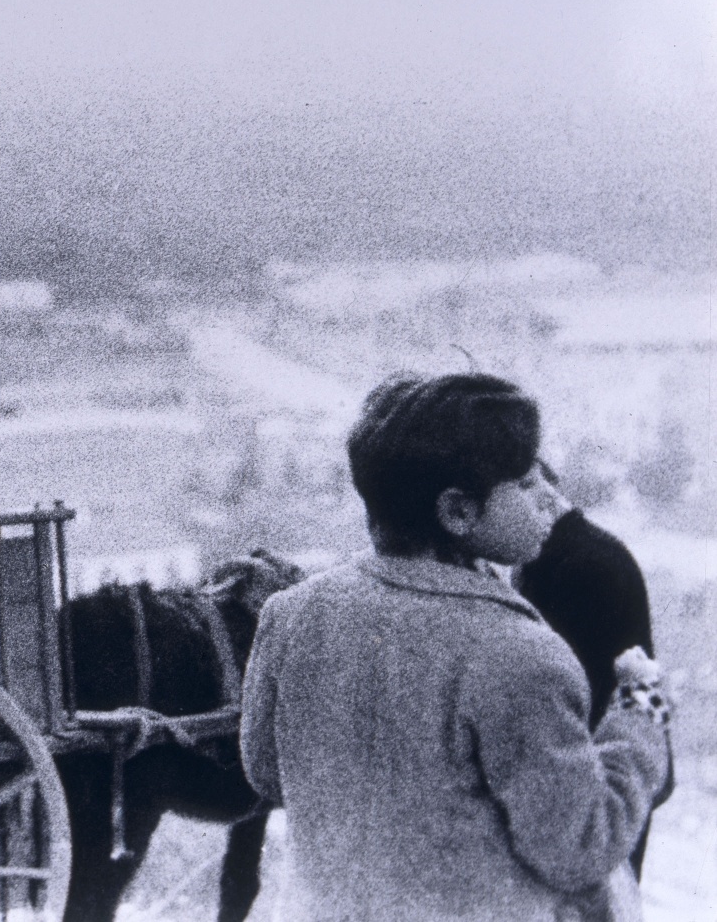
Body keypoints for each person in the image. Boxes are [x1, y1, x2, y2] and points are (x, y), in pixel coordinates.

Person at [240, 374, 671, 922]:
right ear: (458, 513)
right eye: (526, 481)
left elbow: (267, 774)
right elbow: (581, 846)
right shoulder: (521, 655)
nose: (550, 500)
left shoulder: (291, 613)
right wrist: (640, 715)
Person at [518, 462, 671, 879]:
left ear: (540, 491)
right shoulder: (569, 554)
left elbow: (569, 691)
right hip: (609, 776)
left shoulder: (580, 565)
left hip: (605, 784)